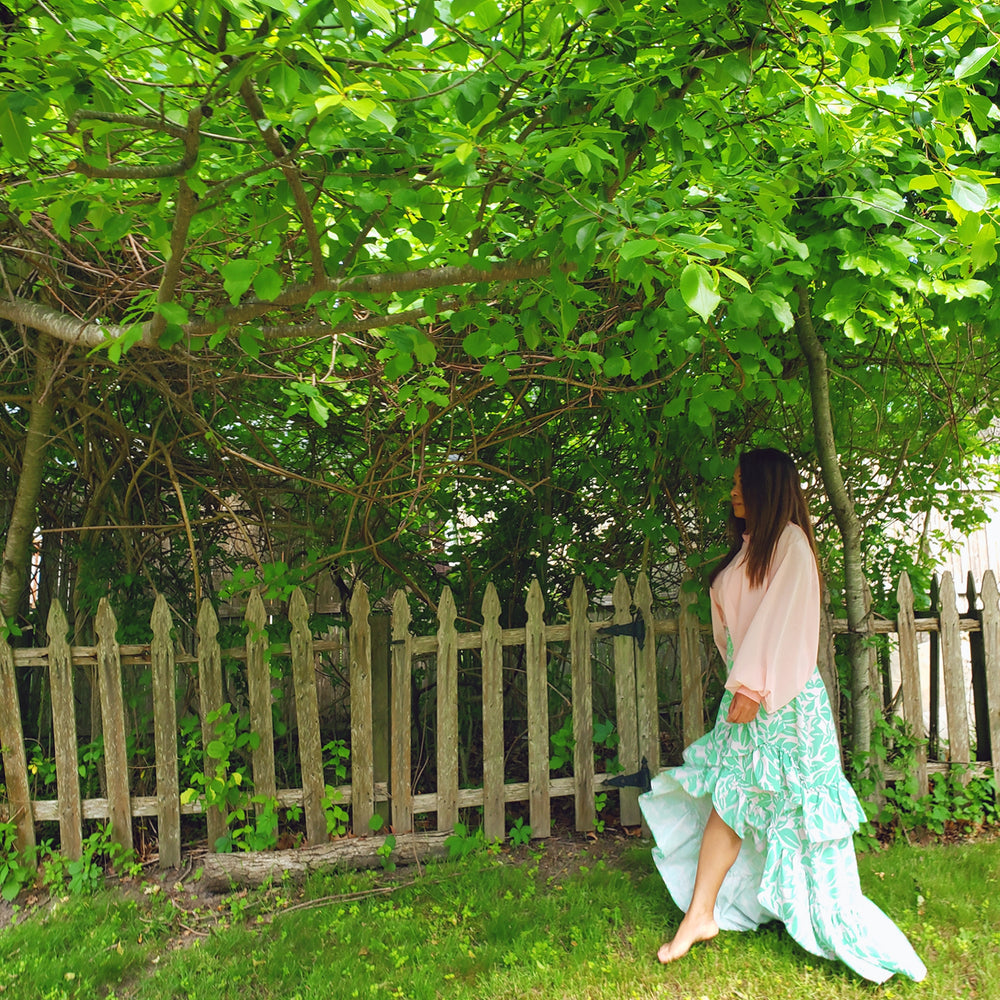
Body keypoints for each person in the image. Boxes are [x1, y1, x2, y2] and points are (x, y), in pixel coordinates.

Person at [638, 447, 926, 983]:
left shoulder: (791, 545)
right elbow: (734, 630)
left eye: (741, 484)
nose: (733, 492)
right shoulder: (745, 552)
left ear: (767, 488)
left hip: (786, 706)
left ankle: (833, 918)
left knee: (806, 815)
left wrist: (753, 685)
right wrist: (740, 686)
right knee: (730, 799)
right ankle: (699, 917)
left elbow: (784, 621)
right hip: (745, 698)